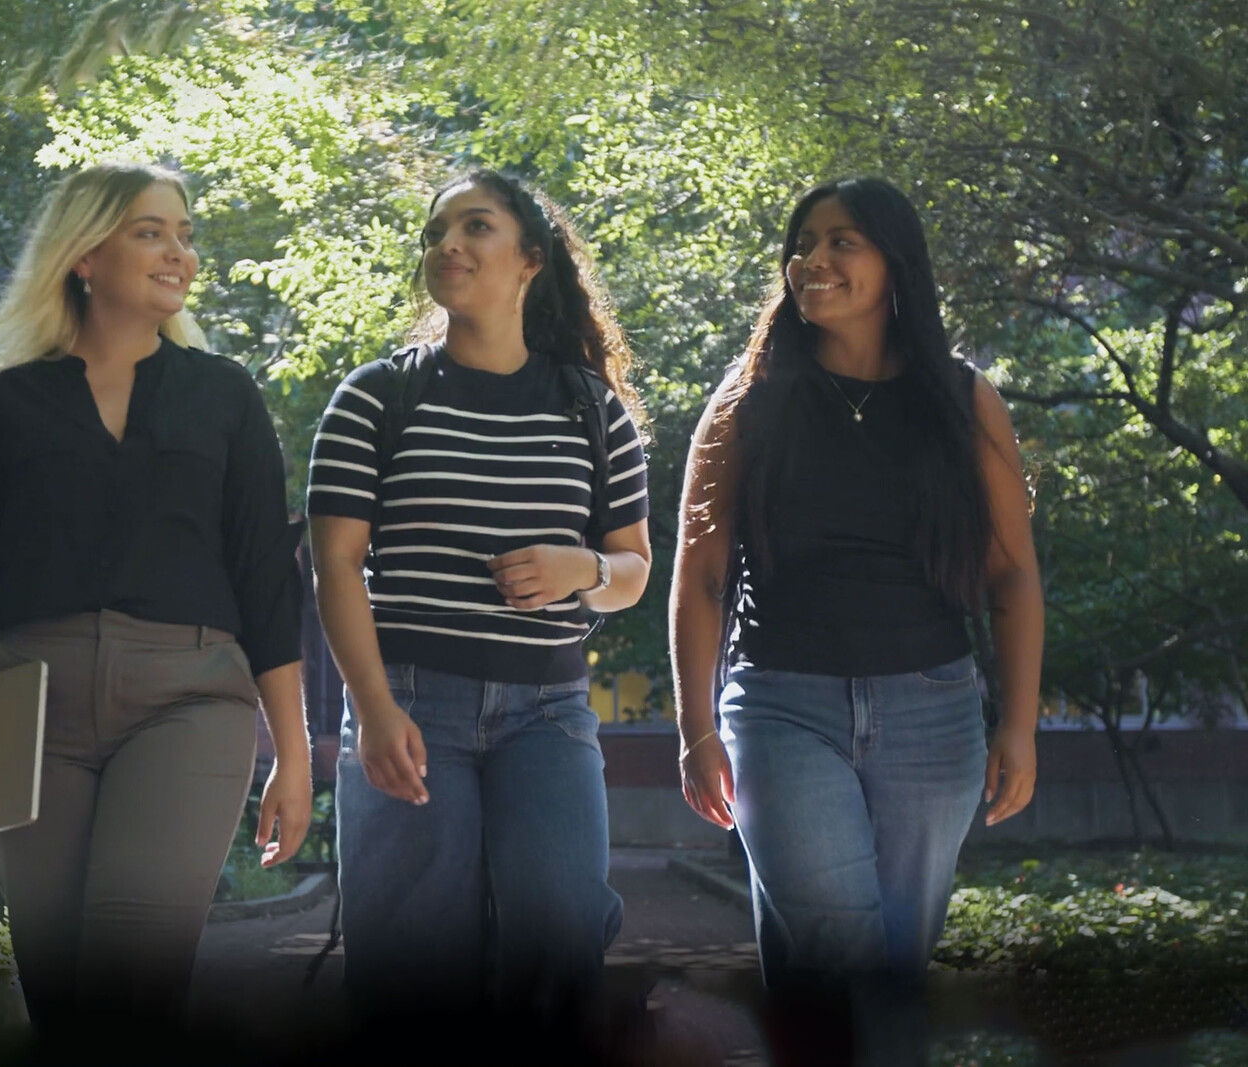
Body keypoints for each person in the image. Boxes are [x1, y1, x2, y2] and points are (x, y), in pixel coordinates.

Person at [0, 162, 311, 1051]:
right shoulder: (0, 404)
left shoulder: (226, 397)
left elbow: (266, 579)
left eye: (184, 233)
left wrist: (294, 752)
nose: (180, 253)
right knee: (59, 992)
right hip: (25, 708)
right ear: (84, 255)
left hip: (190, 704)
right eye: (151, 231)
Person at [669, 177, 1042, 1064]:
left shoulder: (962, 401)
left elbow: (1013, 577)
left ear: (894, 263)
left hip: (933, 714)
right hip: (780, 708)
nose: (815, 259)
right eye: (804, 243)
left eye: (844, 241)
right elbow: (700, 578)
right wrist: (694, 727)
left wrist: (1019, 724)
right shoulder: (746, 402)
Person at [306, 171, 652, 1036]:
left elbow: (634, 568)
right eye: (437, 231)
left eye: (476, 226)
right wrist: (373, 710)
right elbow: (338, 568)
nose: (448, 244)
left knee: (561, 938)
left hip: (549, 714)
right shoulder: (376, 397)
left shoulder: (591, 406)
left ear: (531, 260)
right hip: (413, 707)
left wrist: (583, 567)